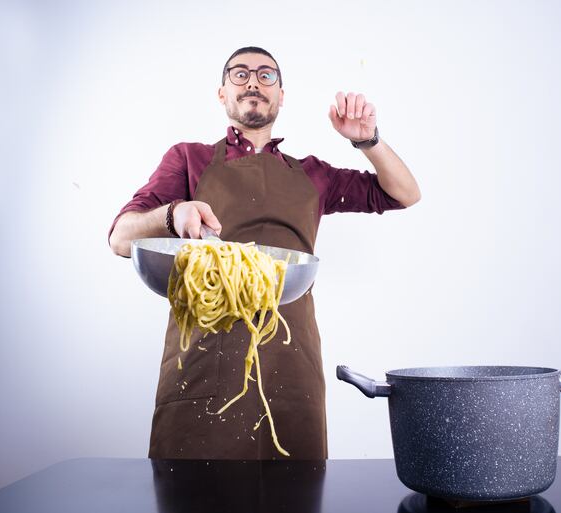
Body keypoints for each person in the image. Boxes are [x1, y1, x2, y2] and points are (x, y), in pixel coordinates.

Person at [108, 46, 421, 460]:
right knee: (191, 493)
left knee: (295, 490)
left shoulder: (312, 174)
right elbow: (120, 238)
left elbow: (404, 194)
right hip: (203, 356)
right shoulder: (188, 158)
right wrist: (174, 212)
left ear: (282, 95)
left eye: (266, 75)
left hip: (291, 358)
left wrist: (368, 140)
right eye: (239, 74)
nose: (253, 81)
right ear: (222, 94)